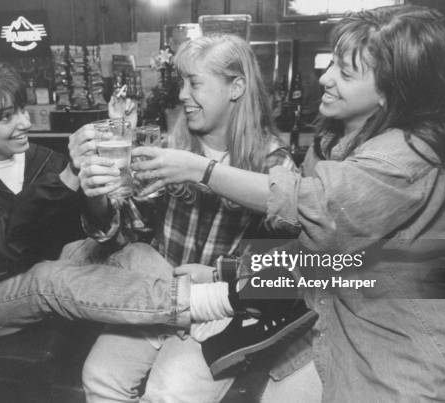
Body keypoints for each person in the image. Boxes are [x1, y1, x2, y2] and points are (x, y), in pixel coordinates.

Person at [132, 6, 445, 402]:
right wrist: (224, 273)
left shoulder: (405, 156)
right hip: (340, 317)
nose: (325, 78)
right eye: (332, 64)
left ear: (392, 94)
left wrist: (203, 171)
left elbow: (319, 211)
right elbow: (325, 257)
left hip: (412, 348)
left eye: (346, 73)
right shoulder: (336, 141)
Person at [75, 34, 314, 403]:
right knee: (100, 375)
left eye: (195, 83)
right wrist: (97, 201)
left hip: (218, 312)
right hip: (157, 294)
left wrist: (218, 272)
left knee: (169, 392)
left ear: (236, 87)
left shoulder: (273, 163)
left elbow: (286, 261)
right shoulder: (171, 145)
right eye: (182, 83)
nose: (183, 95)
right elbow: (131, 227)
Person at [0, 58, 196, 342]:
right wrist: (66, 177)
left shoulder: (42, 158)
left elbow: (90, 231)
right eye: (5, 117)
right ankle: (201, 307)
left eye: (23, 110)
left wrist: (98, 185)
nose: (25, 123)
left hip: (45, 269)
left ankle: (207, 312)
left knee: (133, 252)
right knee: (48, 277)